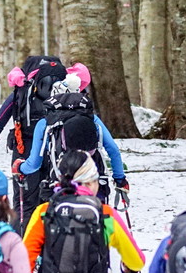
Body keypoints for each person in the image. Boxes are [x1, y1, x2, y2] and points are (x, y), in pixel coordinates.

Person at [13, 76, 127, 224]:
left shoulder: (45, 123)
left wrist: (20, 168)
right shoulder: (92, 119)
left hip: (61, 182)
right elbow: (113, 150)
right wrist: (120, 179)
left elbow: (35, 163)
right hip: (94, 182)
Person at [0, 58, 85, 224]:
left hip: (25, 148)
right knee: (54, 195)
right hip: (59, 149)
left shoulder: (22, 92)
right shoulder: (70, 95)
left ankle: (22, 240)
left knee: (24, 200)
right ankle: (51, 238)